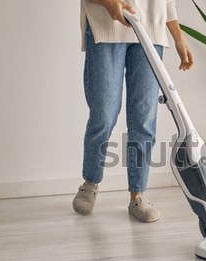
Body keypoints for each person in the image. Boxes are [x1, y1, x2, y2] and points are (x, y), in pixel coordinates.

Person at [73, 0, 193, 222]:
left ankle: (138, 195)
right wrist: (108, 3)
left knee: (144, 118)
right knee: (104, 114)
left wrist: (179, 37)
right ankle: (90, 182)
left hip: (150, 31)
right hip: (105, 25)